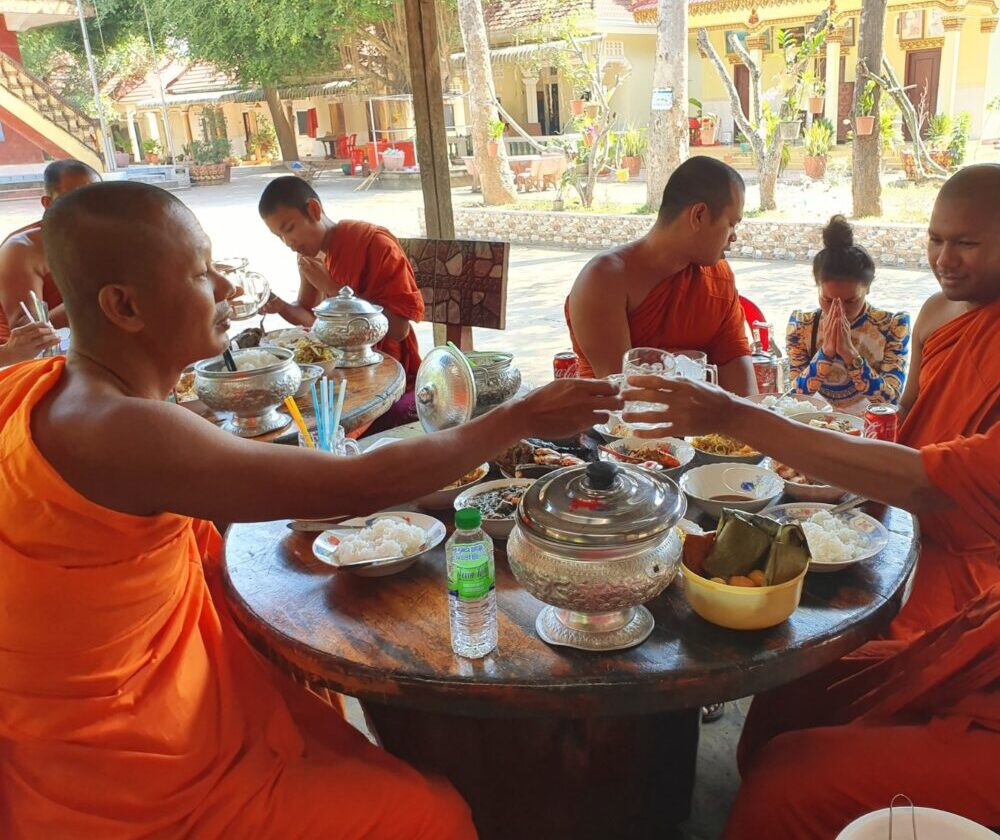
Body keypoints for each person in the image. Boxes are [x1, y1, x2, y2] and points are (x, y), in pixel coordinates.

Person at [0, 181, 620, 837]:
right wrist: (520, 416)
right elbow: (347, 488)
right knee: (430, 815)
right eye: (197, 273)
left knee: (324, 715)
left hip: (115, 724)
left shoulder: (42, 390)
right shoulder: (116, 431)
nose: (224, 289)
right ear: (124, 306)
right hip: (128, 777)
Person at [622, 183, 1000, 837]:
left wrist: (733, 414)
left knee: (787, 782)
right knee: (797, 693)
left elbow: (930, 482)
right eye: (936, 239)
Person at [888, 163, 1000, 637]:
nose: (944, 259)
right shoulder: (934, 311)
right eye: (935, 240)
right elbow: (908, 409)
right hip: (901, 514)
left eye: (965, 243)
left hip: (983, 556)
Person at [565, 157, 756, 396]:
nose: (734, 237)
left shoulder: (719, 278)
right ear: (698, 215)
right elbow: (623, 396)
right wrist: (680, 364)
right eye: (731, 224)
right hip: (615, 430)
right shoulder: (604, 279)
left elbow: (742, 389)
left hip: (700, 429)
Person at [258, 176, 426, 422]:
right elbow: (314, 321)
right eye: (278, 236)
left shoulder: (374, 244)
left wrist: (335, 290)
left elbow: (398, 330)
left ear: (314, 210)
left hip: (383, 370)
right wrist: (280, 306)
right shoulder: (309, 258)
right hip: (337, 371)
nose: (288, 243)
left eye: (289, 229)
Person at [784, 215, 910, 408]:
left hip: (869, 430)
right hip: (816, 426)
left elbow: (891, 400)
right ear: (817, 287)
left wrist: (850, 354)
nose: (839, 310)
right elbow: (795, 397)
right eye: (827, 300)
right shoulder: (802, 326)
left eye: (851, 301)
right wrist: (826, 352)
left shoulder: (892, 327)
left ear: (867, 289)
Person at [0, 159, 101, 342]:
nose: (89, 208)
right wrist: (94, 296)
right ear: (48, 203)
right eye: (74, 199)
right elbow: (29, 331)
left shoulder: (105, 236)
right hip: (25, 359)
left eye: (97, 198)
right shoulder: (22, 248)